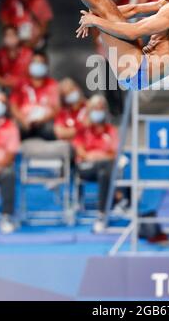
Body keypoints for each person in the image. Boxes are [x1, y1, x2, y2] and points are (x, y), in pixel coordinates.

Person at [72, 95, 118, 233]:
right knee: (106, 167)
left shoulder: (111, 131)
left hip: (103, 167)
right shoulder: (82, 130)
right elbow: (80, 152)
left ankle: (102, 215)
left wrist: (100, 157)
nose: (98, 111)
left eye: (101, 108)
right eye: (95, 109)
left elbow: (114, 153)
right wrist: (97, 157)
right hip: (86, 167)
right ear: (89, 111)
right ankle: (120, 196)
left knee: (105, 173)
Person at [9, 52, 60, 140]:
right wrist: (23, 119)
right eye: (34, 62)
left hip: (45, 122)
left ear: (46, 66)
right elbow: (13, 106)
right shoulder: (21, 84)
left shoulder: (52, 84)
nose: (37, 65)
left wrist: (42, 120)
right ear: (29, 65)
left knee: (51, 129)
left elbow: (57, 108)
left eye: (40, 63)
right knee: (14, 129)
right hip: (24, 121)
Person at [0, 92, 20, 234]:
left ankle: (6, 217)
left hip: (0, 168)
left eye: (2, 102)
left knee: (9, 174)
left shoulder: (11, 127)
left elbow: (10, 155)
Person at [0, 25, 33, 91]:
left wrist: (18, 84)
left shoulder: (28, 53)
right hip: (4, 87)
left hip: (23, 88)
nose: (10, 37)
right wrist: (5, 83)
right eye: (7, 35)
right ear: (3, 38)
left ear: (18, 36)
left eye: (13, 34)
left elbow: (31, 75)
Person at [54, 78, 87, 142]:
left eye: (71, 90)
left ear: (77, 88)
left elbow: (91, 129)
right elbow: (60, 133)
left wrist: (69, 132)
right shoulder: (62, 112)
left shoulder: (89, 107)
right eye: (67, 93)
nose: (70, 94)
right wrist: (80, 129)